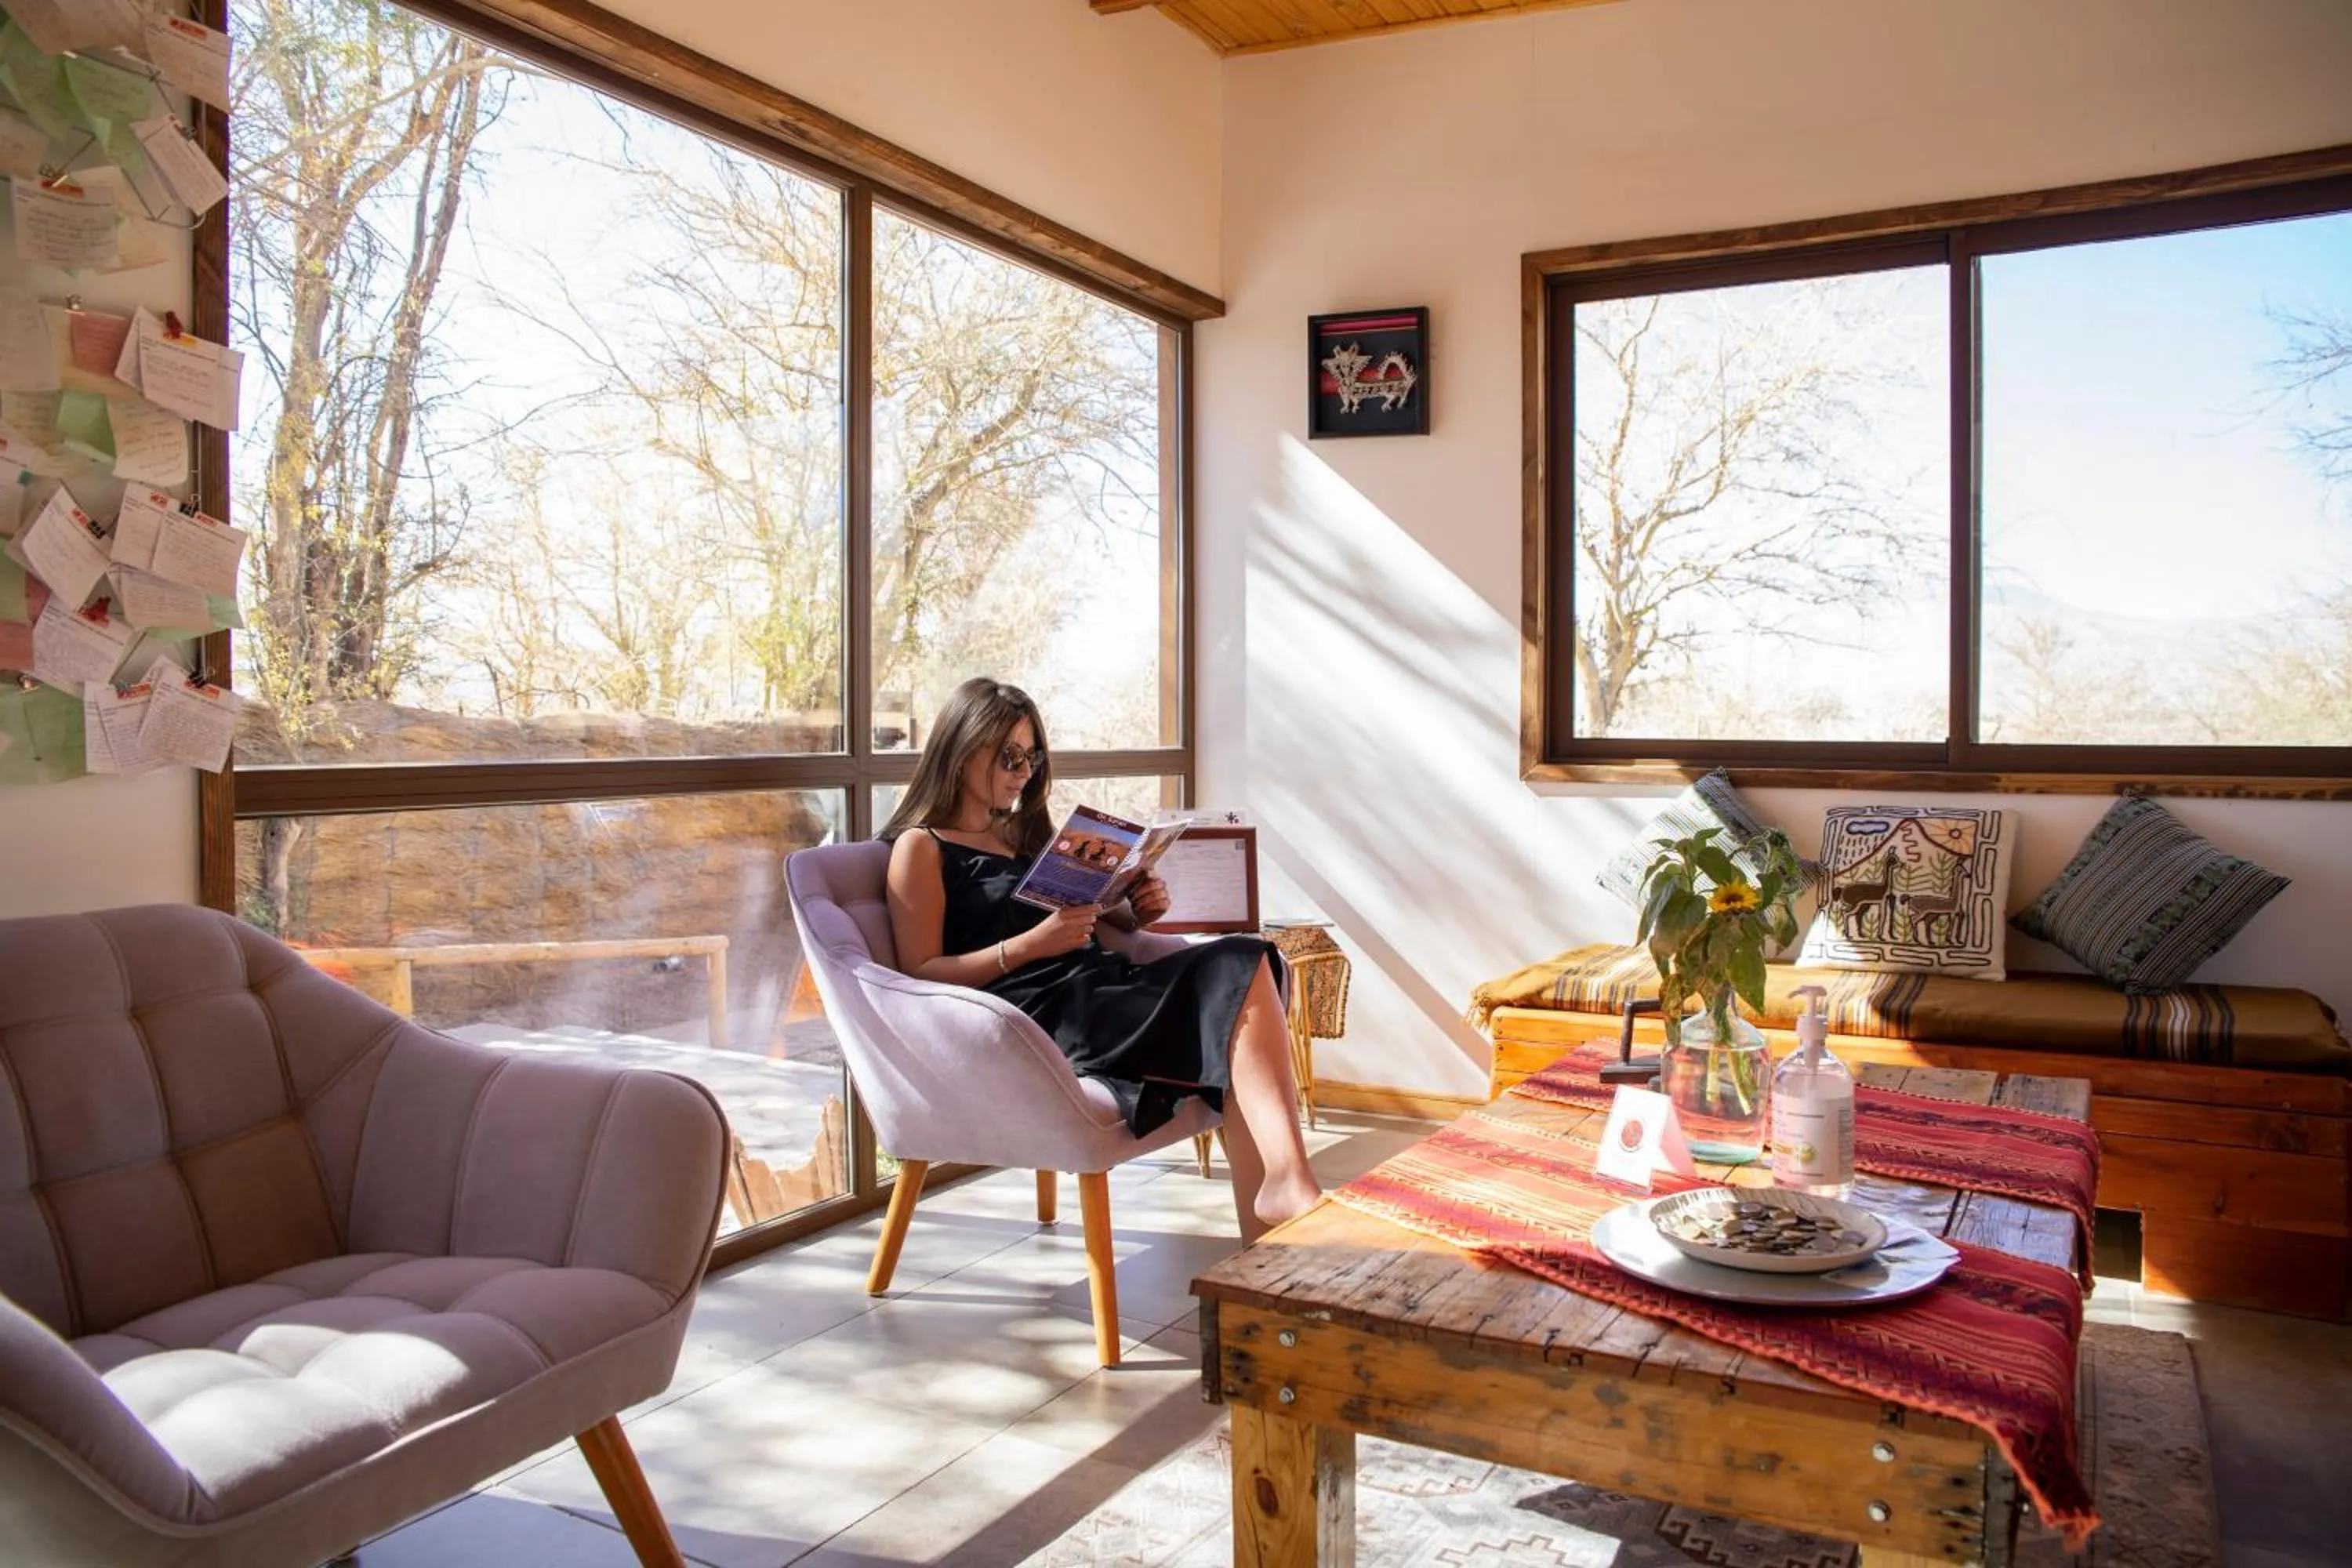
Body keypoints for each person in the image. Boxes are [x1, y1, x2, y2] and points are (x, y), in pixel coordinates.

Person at [881, 676, 1322, 1241]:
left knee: (1247, 959)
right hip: (1038, 1016)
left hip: (1098, 987)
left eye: (1032, 757)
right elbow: (917, 972)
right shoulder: (922, 847)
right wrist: (1028, 946)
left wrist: (1135, 905)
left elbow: (1096, 920)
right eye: (1010, 755)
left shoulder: (1022, 836)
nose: (1023, 771)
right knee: (1236, 977)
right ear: (964, 750)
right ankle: (1288, 1184)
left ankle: (1276, 1223)